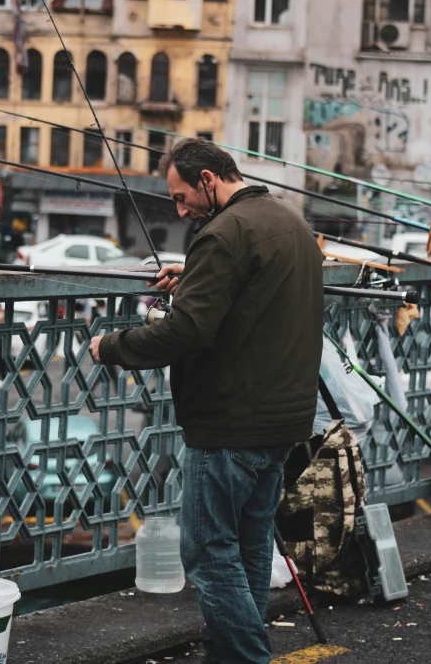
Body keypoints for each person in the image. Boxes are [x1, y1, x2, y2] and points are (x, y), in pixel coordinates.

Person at [90, 138, 324, 664]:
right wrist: (192, 281)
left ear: (207, 181)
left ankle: (245, 658)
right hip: (283, 422)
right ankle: (230, 653)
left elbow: (186, 334)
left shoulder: (223, 234)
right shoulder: (293, 225)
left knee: (208, 554)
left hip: (230, 425)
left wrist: (112, 347)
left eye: (180, 197)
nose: (180, 209)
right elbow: (253, 304)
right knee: (249, 548)